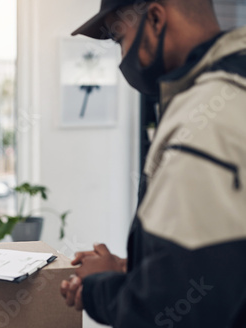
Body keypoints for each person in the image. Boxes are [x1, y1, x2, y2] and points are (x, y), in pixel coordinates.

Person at [60, 0, 246, 327]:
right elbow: (224, 262)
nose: (122, 58)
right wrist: (130, 268)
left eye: (120, 39)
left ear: (157, 19)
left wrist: (98, 287)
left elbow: (173, 309)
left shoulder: (202, 117)